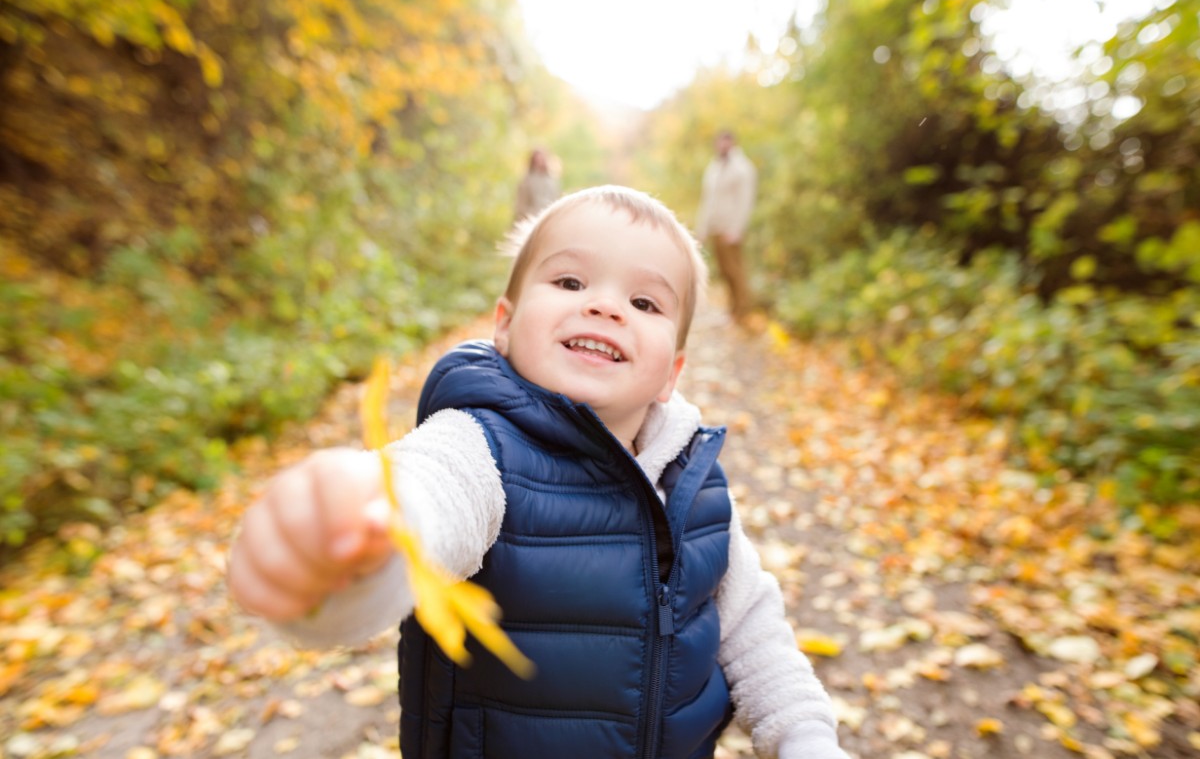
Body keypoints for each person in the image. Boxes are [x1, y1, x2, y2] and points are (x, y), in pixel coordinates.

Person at [227, 185, 848, 759]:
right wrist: (354, 542)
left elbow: (751, 628)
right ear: (504, 323)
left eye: (643, 301)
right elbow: (425, 506)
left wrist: (805, 736)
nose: (605, 306)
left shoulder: (691, 484)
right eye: (571, 280)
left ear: (672, 374)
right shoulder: (479, 451)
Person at [695, 129, 757, 323]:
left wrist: (736, 229)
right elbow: (707, 201)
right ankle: (733, 310)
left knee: (735, 270)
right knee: (724, 271)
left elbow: (745, 201)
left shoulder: (742, 168)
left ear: (733, 143)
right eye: (720, 142)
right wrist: (702, 229)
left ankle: (743, 310)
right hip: (715, 228)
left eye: (726, 142)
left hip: (730, 230)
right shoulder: (713, 168)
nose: (722, 146)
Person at [513, 147, 560, 223]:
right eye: (537, 159)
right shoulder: (527, 180)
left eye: (541, 158)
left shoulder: (552, 180)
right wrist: (524, 219)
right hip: (531, 220)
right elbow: (521, 205)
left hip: (549, 219)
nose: (539, 161)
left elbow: (556, 199)